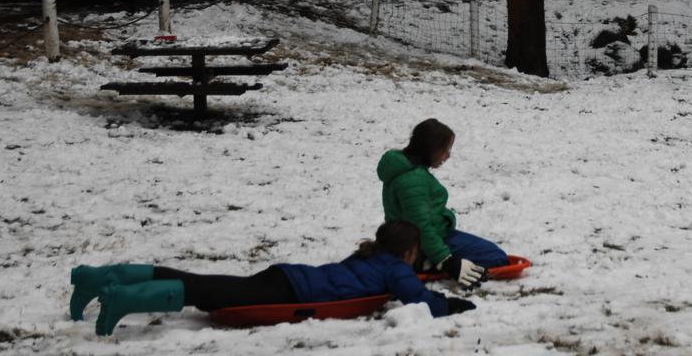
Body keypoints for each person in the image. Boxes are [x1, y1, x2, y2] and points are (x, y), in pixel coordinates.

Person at [69, 220, 475, 336]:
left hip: (286, 276)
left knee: (205, 282)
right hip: (289, 291)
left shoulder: (367, 254)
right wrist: (448, 304)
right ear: (408, 253)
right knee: (207, 291)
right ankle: (122, 299)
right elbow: (415, 298)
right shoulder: (396, 269)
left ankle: (99, 276)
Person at [378, 119, 508, 289]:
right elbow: (420, 227)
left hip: (427, 237)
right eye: (445, 149)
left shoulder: (407, 170)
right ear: (430, 148)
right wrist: (446, 261)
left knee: (490, 254)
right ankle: (422, 263)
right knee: (495, 257)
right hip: (423, 244)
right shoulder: (412, 180)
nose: (448, 155)